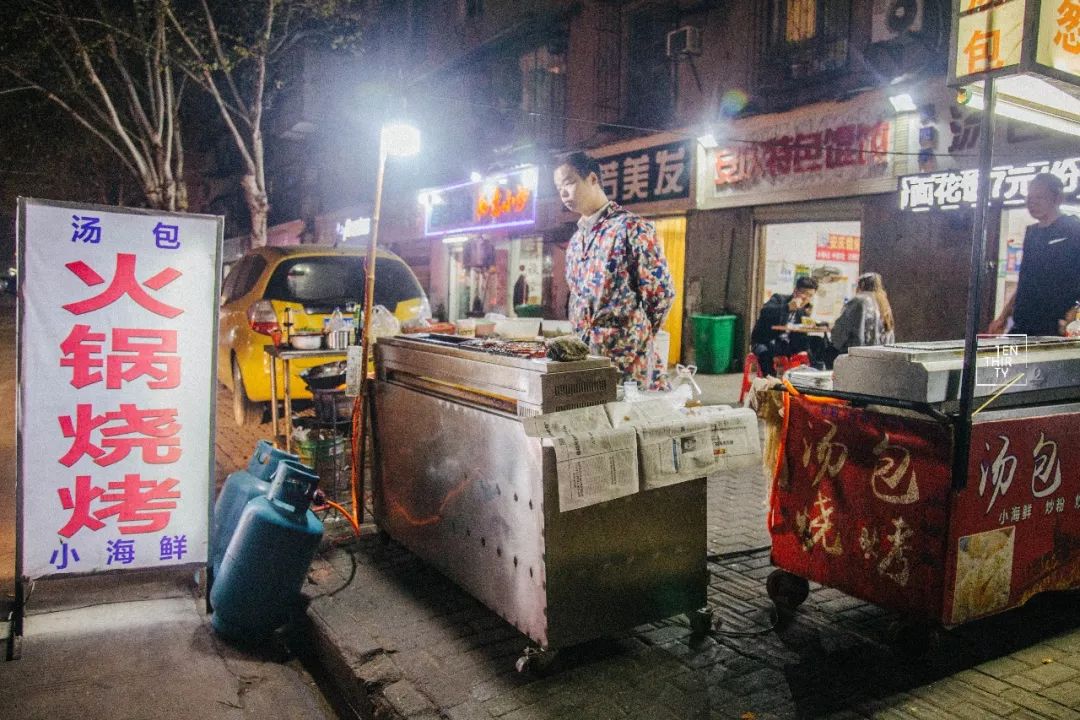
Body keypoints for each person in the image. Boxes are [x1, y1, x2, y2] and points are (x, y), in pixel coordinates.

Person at [554, 151, 675, 389]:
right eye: (559, 189)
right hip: (585, 364)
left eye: (569, 183)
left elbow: (661, 293)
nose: (564, 194)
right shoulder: (577, 240)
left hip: (629, 366)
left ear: (592, 179)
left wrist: (634, 332)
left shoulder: (632, 228)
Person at [989, 172, 1080, 336]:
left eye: (1039, 197)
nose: (1032, 203)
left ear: (1058, 198)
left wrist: (1076, 311)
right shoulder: (1032, 233)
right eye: (1029, 198)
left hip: (1058, 329)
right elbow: (1025, 280)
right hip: (1023, 325)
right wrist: (1003, 317)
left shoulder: (1074, 230)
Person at [749, 276, 818, 376]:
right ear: (795, 291)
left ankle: (814, 379)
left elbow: (800, 334)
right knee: (765, 354)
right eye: (804, 294)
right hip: (764, 341)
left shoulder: (802, 311)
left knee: (817, 343)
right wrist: (787, 307)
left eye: (810, 296)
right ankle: (770, 384)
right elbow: (765, 311)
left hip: (784, 345)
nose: (806, 298)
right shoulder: (778, 299)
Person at [829, 272, 895, 361]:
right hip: (880, 355)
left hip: (858, 355)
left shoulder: (859, 300)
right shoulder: (883, 302)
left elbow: (842, 329)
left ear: (861, 284)